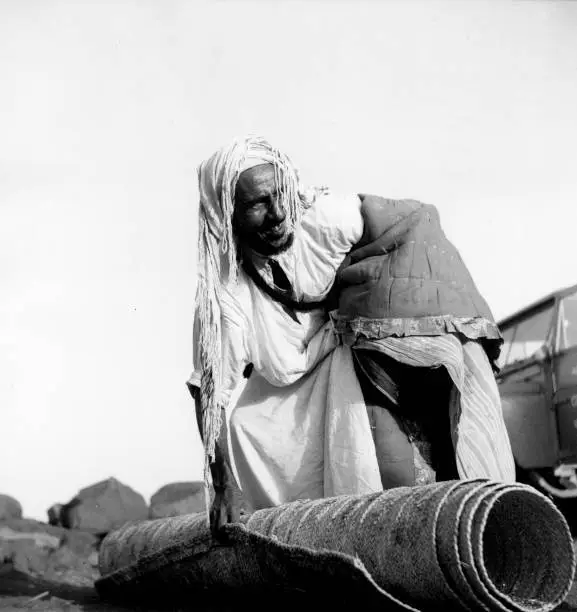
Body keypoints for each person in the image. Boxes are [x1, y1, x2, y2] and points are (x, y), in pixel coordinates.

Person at [187, 135, 514, 538]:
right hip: (283, 401)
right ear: (227, 214)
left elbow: (416, 224)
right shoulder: (225, 294)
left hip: (354, 358)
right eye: (257, 203)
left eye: (281, 194)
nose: (277, 214)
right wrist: (223, 486)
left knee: (389, 461)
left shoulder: (325, 219)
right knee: (251, 433)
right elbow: (210, 391)